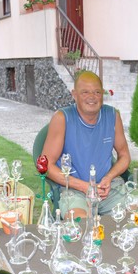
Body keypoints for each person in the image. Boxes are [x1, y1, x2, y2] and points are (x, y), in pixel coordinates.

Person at [42, 71, 130, 218]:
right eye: (85, 92)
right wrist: (84, 187)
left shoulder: (112, 115)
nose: (92, 97)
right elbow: (47, 165)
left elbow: (124, 155)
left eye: (97, 92)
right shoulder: (62, 118)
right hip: (74, 190)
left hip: (108, 188)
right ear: (74, 94)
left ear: (102, 94)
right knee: (80, 223)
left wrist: (109, 178)